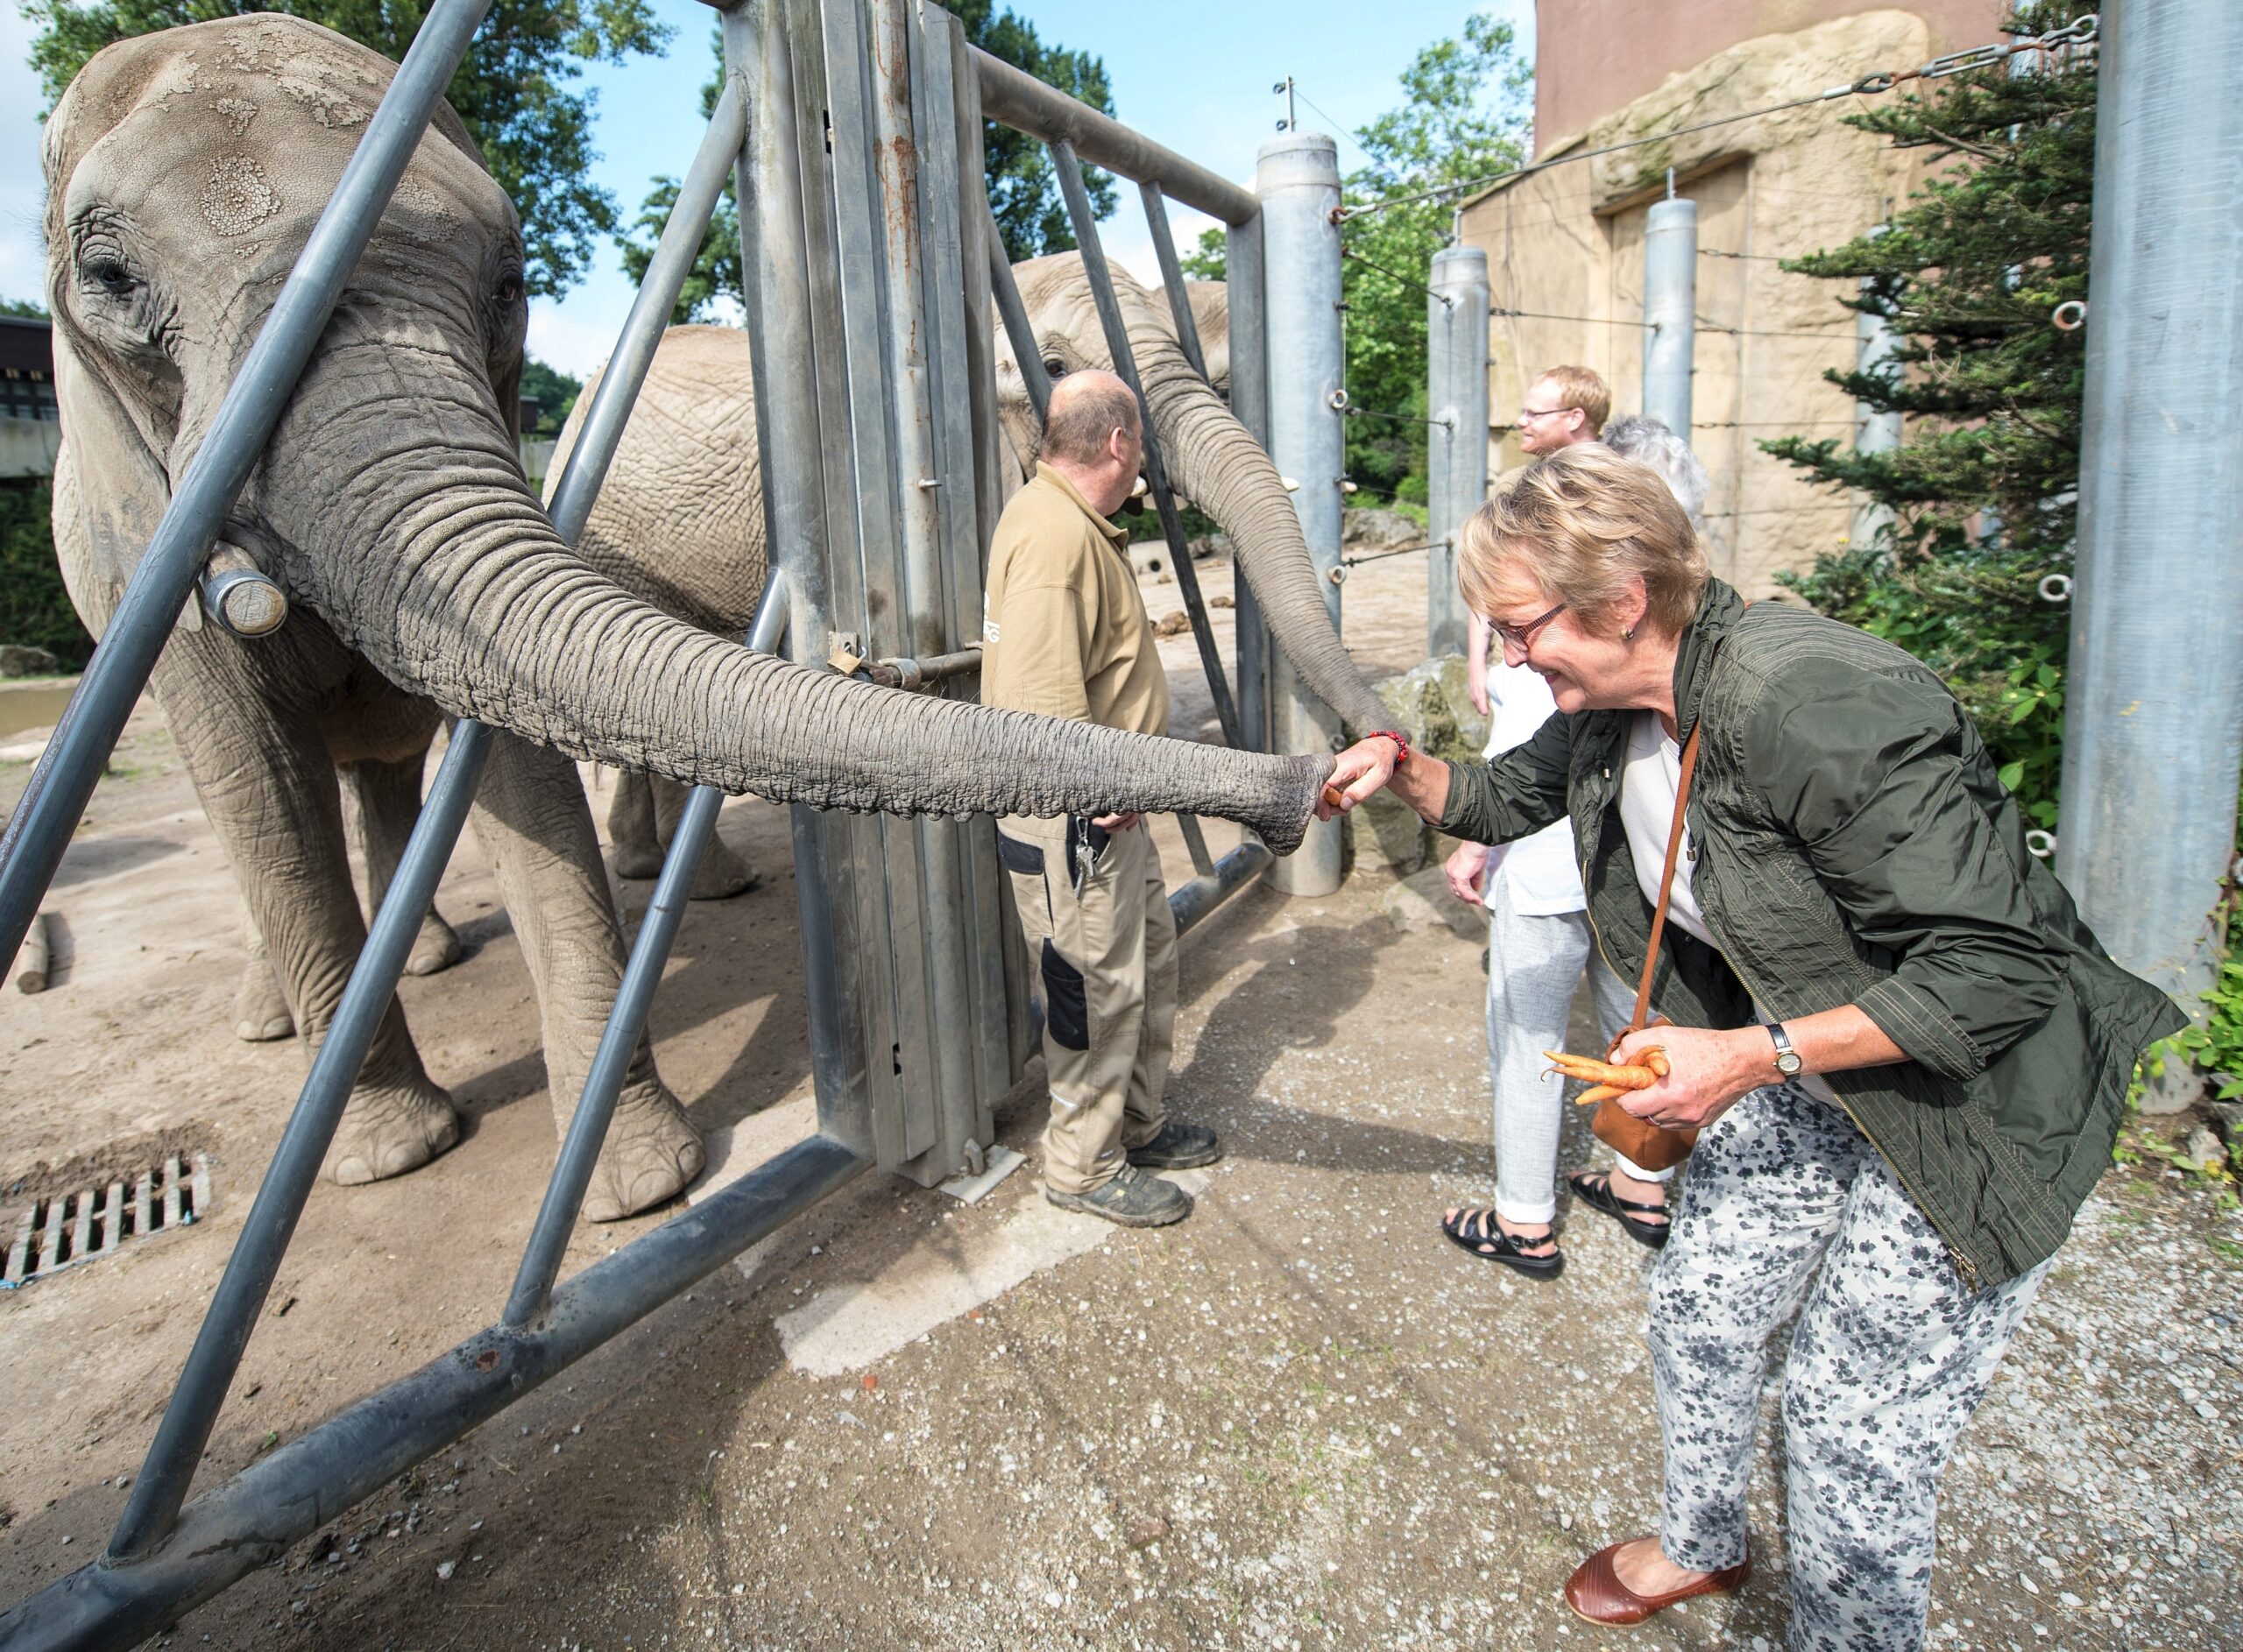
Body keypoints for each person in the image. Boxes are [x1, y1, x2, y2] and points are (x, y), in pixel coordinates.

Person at [1323, 444, 2181, 1648]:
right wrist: (1401, 767)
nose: (1511, 657)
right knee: (1706, 1304)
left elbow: (1998, 971)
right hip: (1801, 1057)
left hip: (1962, 1097)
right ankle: (1704, 1540)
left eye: (1522, 627)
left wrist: (1743, 1057)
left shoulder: (1817, 701)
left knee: (1848, 1418)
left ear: (1623, 598)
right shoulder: (1613, 702)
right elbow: (1506, 797)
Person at [1439, 413, 1708, 1274]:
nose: (1516, 654)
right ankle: (1640, 1181)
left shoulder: (1566, 617)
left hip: (1555, 864)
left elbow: (1521, 764)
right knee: (1638, 1024)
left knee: (1528, 1035)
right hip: (1642, 876)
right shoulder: (1678, 628)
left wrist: (1479, 838)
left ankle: (1524, 1218)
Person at [980, 370, 1221, 1228]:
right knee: (1095, 991)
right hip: (1076, 820)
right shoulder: (1053, 538)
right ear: (1117, 443)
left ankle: (1137, 1122)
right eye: (1143, 443)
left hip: (1111, 809)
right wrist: (1093, 792)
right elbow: (1040, 706)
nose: (1142, 457)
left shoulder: (1070, 523)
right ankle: (1082, 1166)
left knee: (1146, 967)